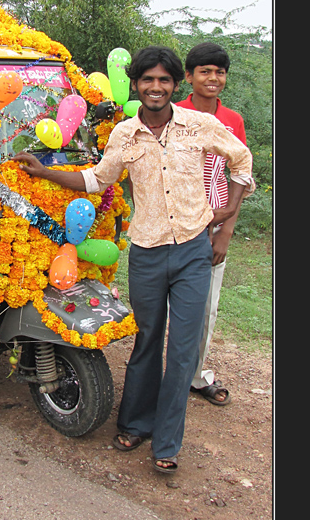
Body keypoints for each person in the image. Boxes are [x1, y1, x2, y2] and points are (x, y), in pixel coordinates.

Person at [13, 46, 254, 474]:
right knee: (146, 340)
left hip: (193, 253)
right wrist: (44, 171)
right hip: (146, 253)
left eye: (164, 80)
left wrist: (228, 211)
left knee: (181, 351)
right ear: (138, 85)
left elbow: (241, 161)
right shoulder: (124, 134)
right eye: (148, 80)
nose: (156, 87)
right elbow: (96, 179)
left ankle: (167, 441)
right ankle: (135, 422)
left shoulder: (200, 125)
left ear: (175, 85)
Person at [176, 42, 247, 406]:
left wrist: (227, 232)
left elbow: (241, 174)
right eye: (205, 70)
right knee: (163, 306)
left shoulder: (232, 121)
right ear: (188, 77)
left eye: (219, 71)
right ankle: (157, 375)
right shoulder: (173, 113)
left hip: (215, 227)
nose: (213, 78)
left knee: (206, 307)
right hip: (175, 226)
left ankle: (194, 375)